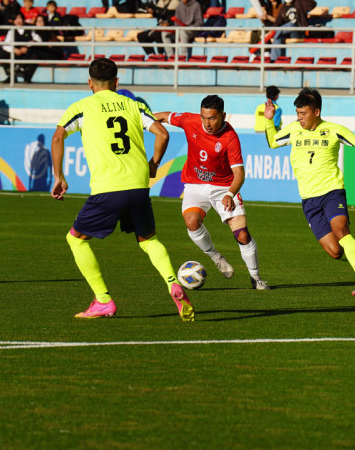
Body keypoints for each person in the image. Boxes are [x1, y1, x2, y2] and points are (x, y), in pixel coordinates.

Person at [51, 57, 194, 321]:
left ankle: (103, 300)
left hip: (108, 187)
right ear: (117, 82)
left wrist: (59, 176)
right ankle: (173, 282)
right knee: (148, 239)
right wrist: (154, 164)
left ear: (89, 83)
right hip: (139, 185)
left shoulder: (82, 106)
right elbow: (162, 134)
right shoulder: (133, 104)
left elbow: (58, 136)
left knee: (76, 239)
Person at [263, 88, 355, 296]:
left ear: (316, 112)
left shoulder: (334, 129)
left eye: (303, 114)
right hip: (309, 199)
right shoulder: (293, 130)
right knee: (334, 251)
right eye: (297, 114)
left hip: (332, 191)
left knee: (341, 230)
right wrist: (268, 121)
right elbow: (272, 142)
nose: (300, 118)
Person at [154, 96, 269, 289]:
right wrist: (140, 121)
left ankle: (256, 278)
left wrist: (230, 194)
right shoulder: (191, 120)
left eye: (212, 118)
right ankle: (216, 257)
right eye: (204, 117)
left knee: (242, 235)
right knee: (191, 222)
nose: (207, 123)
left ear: (223, 116)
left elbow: (239, 173)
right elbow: (164, 117)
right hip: (195, 185)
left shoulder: (230, 137)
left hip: (224, 187)